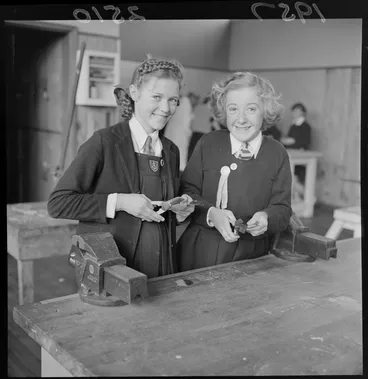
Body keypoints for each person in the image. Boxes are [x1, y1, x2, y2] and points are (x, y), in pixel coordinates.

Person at [47, 55, 194, 279]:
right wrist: (120, 202)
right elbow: (58, 203)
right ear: (134, 93)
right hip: (114, 266)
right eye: (157, 97)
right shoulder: (103, 142)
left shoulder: (171, 151)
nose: (166, 108)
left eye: (173, 100)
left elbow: (161, 211)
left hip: (161, 264)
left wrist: (179, 210)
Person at [177, 71, 292, 271]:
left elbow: (282, 208)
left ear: (265, 110)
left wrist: (267, 218)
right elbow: (187, 192)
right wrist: (211, 213)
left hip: (252, 257)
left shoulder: (277, 153)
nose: (241, 119)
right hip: (199, 252)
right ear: (224, 111)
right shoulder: (208, 143)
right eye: (233, 109)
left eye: (251, 109)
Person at [163, 92, 199, 173]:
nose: (196, 103)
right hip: (181, 135)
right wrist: (189, 133)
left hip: (171, 133)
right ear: (192, 98)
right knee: (180, 159)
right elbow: (187, 121)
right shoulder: (186, 103)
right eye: (196, 101)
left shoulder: (180, 102)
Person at [281, 102, 312, 192]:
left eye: (296, 111)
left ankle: (310, 198)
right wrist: (288, 141)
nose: (294, 113)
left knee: (296, 180)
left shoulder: (306, 127)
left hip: (301, 159)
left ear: (303, 113)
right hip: (290, 156)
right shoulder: (293, 126)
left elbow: (305, 143)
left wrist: (293, 141)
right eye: (293, 111)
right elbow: (288, 140)